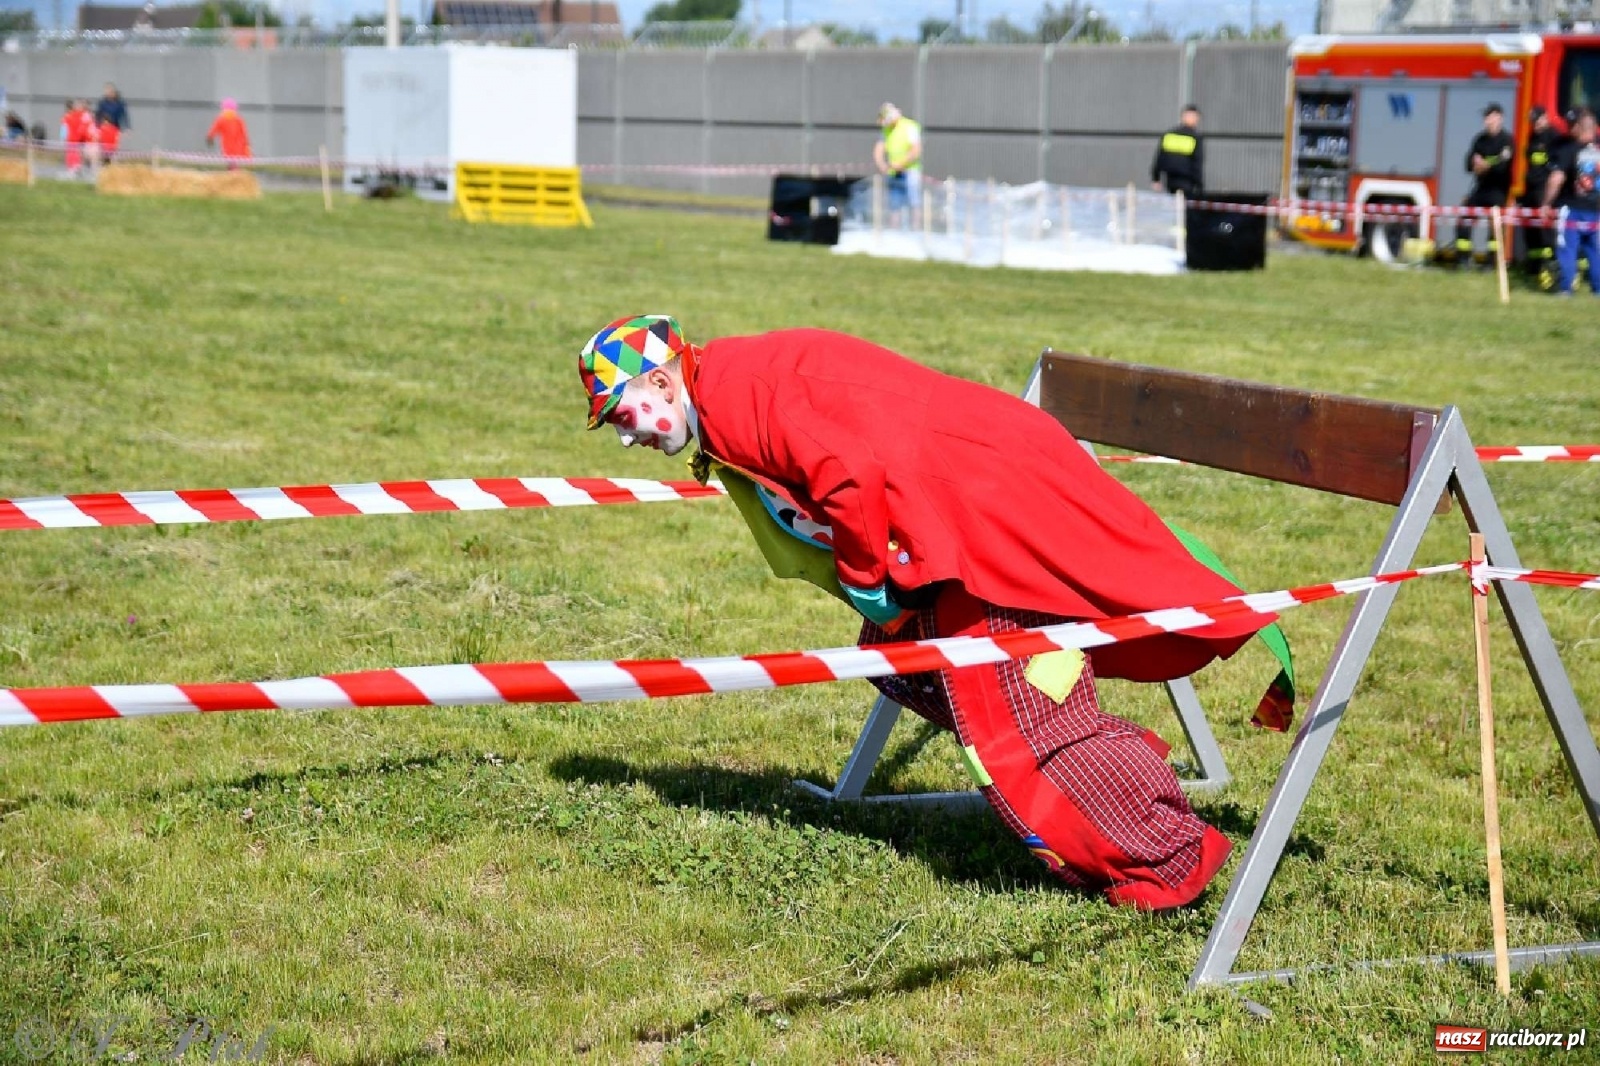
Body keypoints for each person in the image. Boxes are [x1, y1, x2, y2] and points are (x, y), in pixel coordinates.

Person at [576, 316, 1280, 910]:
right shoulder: (727, 382)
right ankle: (1125, 789)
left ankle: (1166, 859)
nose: (624, 436)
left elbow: (849, 475)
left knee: (1013, 722)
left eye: (621, 414)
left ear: (664, 382)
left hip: (975, 518)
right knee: (907, 669)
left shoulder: (734, 395)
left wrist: (870, 580)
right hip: (960, 508)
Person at [1445, 102, 1514, 265]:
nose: (1487, 121)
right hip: (1481, 188)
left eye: (1490, 117)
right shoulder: (1480, 140)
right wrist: (1475, 164)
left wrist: (1485, 166)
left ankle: (1492, 262)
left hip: (1498, 189)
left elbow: (1503, 166)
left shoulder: (1507, 140)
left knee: (1495, 226)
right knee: (1464, 219)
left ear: (1499, 118)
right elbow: (1468, 164)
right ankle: (1463, 258)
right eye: (1486, 117)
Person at [1543, 107, 1600, 296]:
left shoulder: (1569, 149)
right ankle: (1597, 290)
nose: (1568, 129)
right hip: (1594, 209)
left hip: (1572, 209)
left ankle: (1566, 289)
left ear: (1579, 128)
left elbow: (1555, 179)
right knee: (1594, 251)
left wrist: (1546, 203)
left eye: (1571, 126)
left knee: (1567, 249)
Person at [1520, 106, 1559, 288]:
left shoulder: (1554, 138)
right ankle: (1533, 267)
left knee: (1546, 233)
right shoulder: (1532, 137)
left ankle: (1550, 268)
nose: (1535, 124)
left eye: (1538, 120)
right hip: (1531, 190)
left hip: (1544, 191)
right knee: (1531, 231)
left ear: (1545, 117)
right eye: (1533, 122)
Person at [872, 102, 922, 229]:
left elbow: (915, 150)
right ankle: (895, 231)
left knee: (913, 201)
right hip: (893, 172)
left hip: (910, 171)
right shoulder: (886, 130)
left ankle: (915, 229)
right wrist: (882, 164)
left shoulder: (910, 126)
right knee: (894, 204)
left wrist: (901, 163)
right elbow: (879, 149)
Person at [1150, 105, 1203, 196]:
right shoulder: (1195, 137)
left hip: (1170, 181)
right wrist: (1200, 186)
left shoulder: (1169, 135)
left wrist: (1156, 178)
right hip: (1187, 182)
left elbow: (1160, 158)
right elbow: (1197, 163)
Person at [206, 98, 252, 169]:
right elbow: (244, 133)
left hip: (227, 146)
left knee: (231, 163)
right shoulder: (238, 119)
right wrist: (247, 144)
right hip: (239, 146)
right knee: (237, 163)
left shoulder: (221, 119)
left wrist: (210, 138)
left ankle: (232, 173)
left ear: (223, 109)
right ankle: (235, 174)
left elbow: (213, 130)